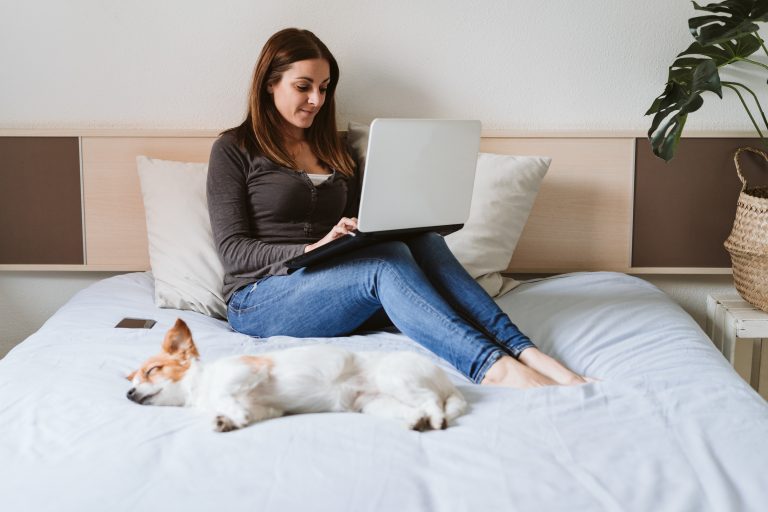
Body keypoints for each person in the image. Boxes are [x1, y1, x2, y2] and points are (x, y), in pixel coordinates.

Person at [207, 27, 590, 388]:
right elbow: (234, 252)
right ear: (269, 83)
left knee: (420, 241)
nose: (317, 100)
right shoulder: (233, 149)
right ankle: (492, 367)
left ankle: (527, 352)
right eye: (303, 87)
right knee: (381, 268)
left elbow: (363, 222)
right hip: (260, 297)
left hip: (330, 282)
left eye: (324, 89)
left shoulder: (334, 150)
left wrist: (383, 224)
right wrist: (311, 250)